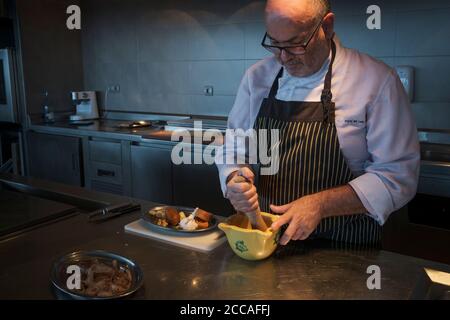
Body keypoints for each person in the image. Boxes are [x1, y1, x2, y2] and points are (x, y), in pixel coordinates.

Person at [215, 0, 420, 246]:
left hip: (346, 246)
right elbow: (234, 147)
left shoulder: (376, 81)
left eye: (294, 44)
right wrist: (233, 178)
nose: (283, 57)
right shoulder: (258, 77)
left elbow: (396, 176)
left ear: (327, 26)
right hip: (269, 240)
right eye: (274, 44)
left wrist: (320, 205)